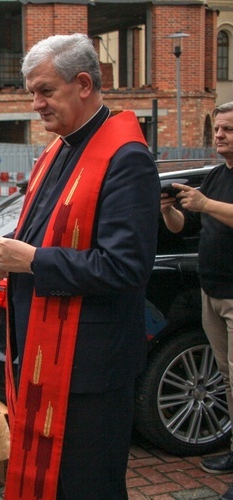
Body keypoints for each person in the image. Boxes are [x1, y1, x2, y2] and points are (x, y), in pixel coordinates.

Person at [0, 34, 159, 499]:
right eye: (32, 92)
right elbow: (42, 234)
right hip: (43, 352)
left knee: (88, 486)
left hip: (90, 370)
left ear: (83, 83)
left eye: (44, 90)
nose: (34, 103)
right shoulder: (58, 150)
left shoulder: (127, 158)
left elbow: (125, 267)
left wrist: (32, 260)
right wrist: (8, 257)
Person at [160, 102, 233, 500]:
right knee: (226, 379)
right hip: (213, 292)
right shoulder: (218, 175)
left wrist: (204, 203)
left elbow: (212, 211)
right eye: (218, 129)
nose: (220, 135)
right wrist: (169, 210)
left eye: (228, 130)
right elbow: (186, 225)